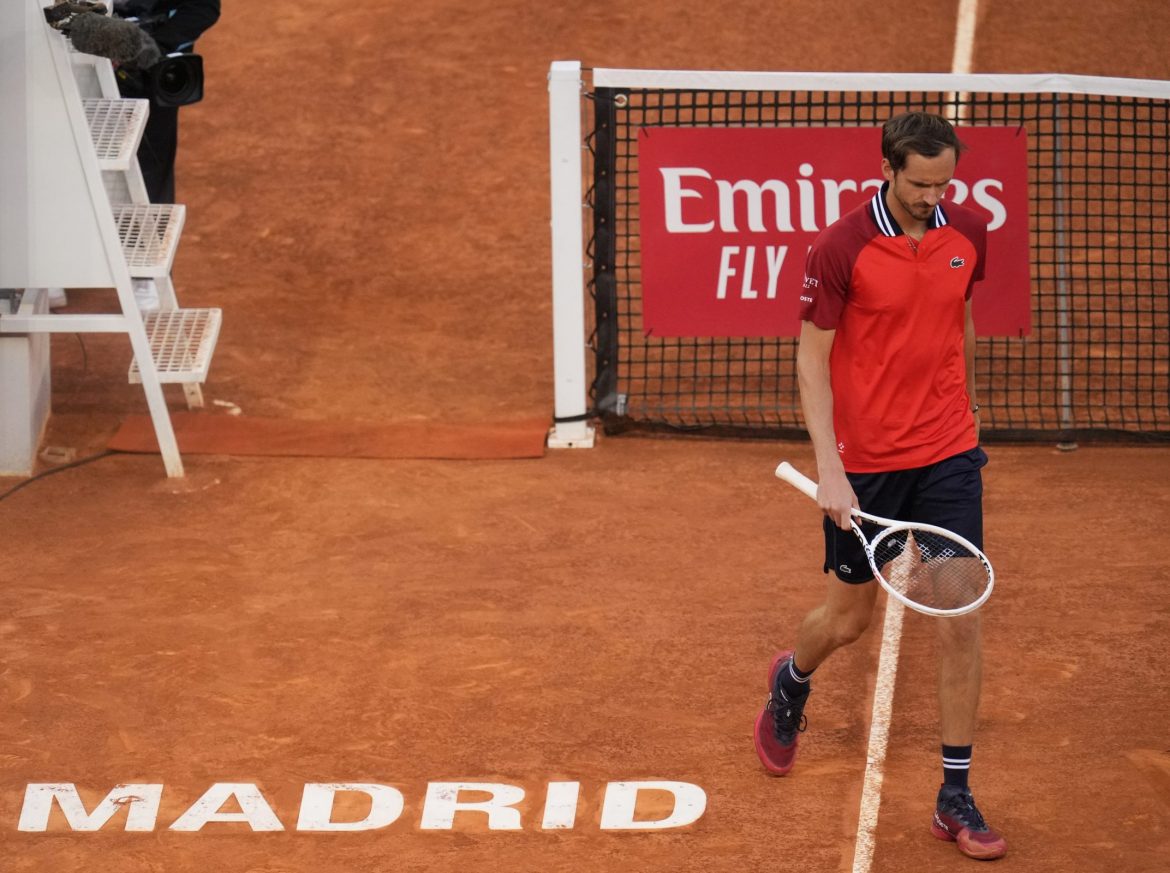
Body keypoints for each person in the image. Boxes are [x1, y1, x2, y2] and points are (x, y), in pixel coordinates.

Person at [753, 112, 1007, 861]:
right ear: (890, 170)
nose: (933, 196)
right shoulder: (841, 247)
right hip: (863, 463)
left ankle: (954, 792)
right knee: (847, 620)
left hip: (947, 451)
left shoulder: (968, 231)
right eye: (920, 183)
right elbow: (811, 359)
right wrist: (829, 464)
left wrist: (967, 400)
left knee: (960, 608)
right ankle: (793, 681)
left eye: (944, 182)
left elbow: (958, 315)